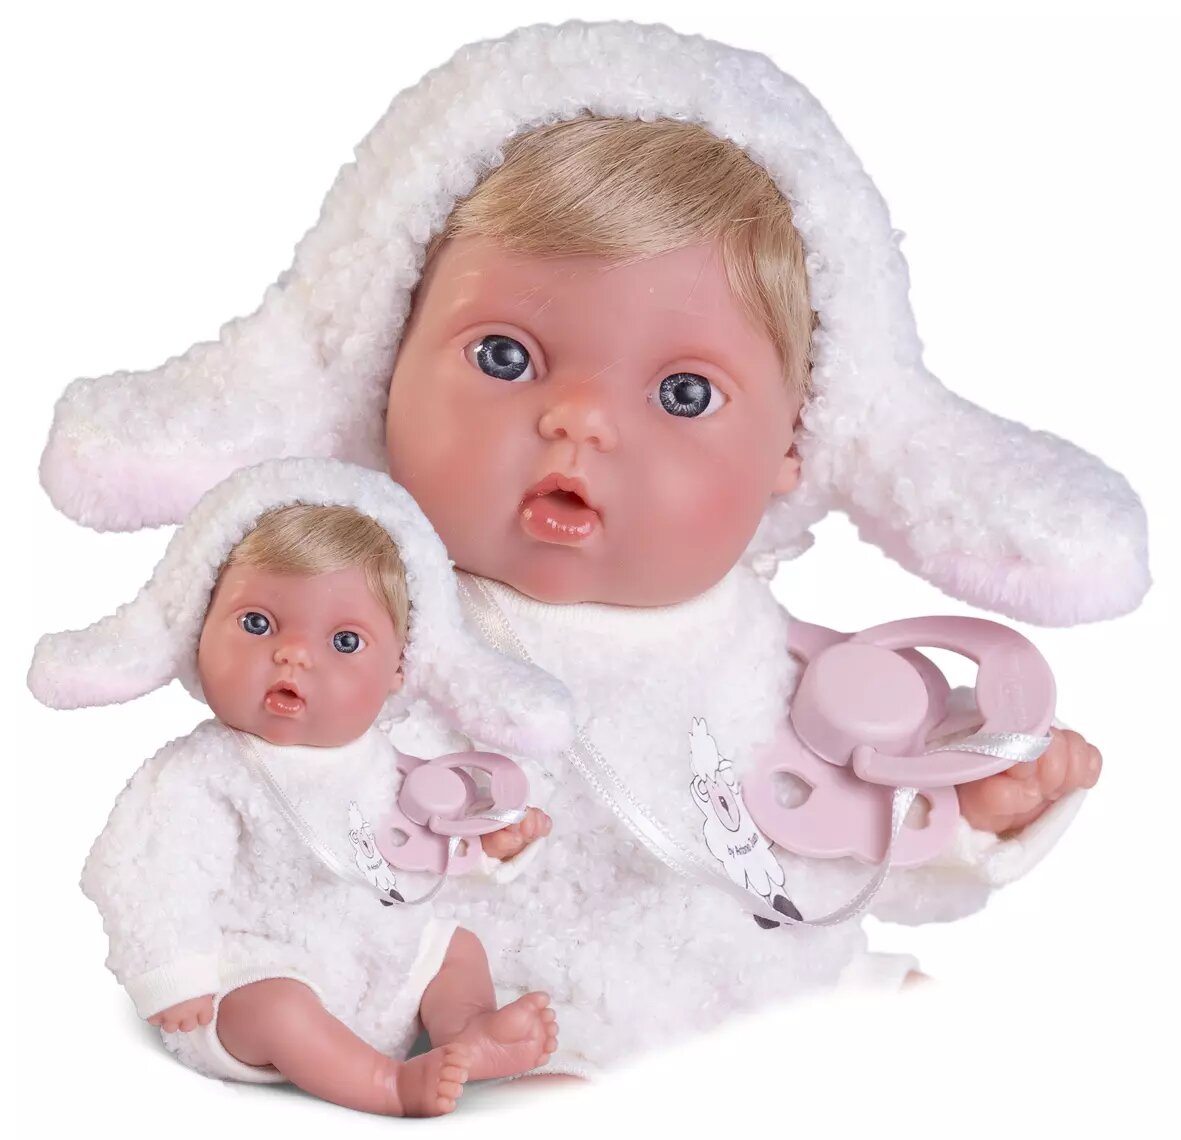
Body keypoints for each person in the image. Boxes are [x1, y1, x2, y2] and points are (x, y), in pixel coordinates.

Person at [33, 24, 1143, 1077]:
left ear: (796, 445)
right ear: (379, 371)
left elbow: (828, 835)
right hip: (479, 1009)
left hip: (759, 993)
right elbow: (273, 801)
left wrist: (964, 810)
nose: (579, 421)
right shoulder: (377, 627)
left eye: (683, 393)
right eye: (505, 357)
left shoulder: (777, 669)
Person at [32, 460, 568, 1114]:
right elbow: (145, 870)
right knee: (280, 1011)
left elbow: (416, 849)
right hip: (254, 972)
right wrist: (171, 970)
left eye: (344, 640)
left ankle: (466, 1029)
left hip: (378, 960)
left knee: (455, 947)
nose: (294, 655)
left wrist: (487, 845)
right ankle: (387, 1085)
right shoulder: (202, 773)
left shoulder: (390, 762)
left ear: (399, 669)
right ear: (197, 629)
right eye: (258, 624)